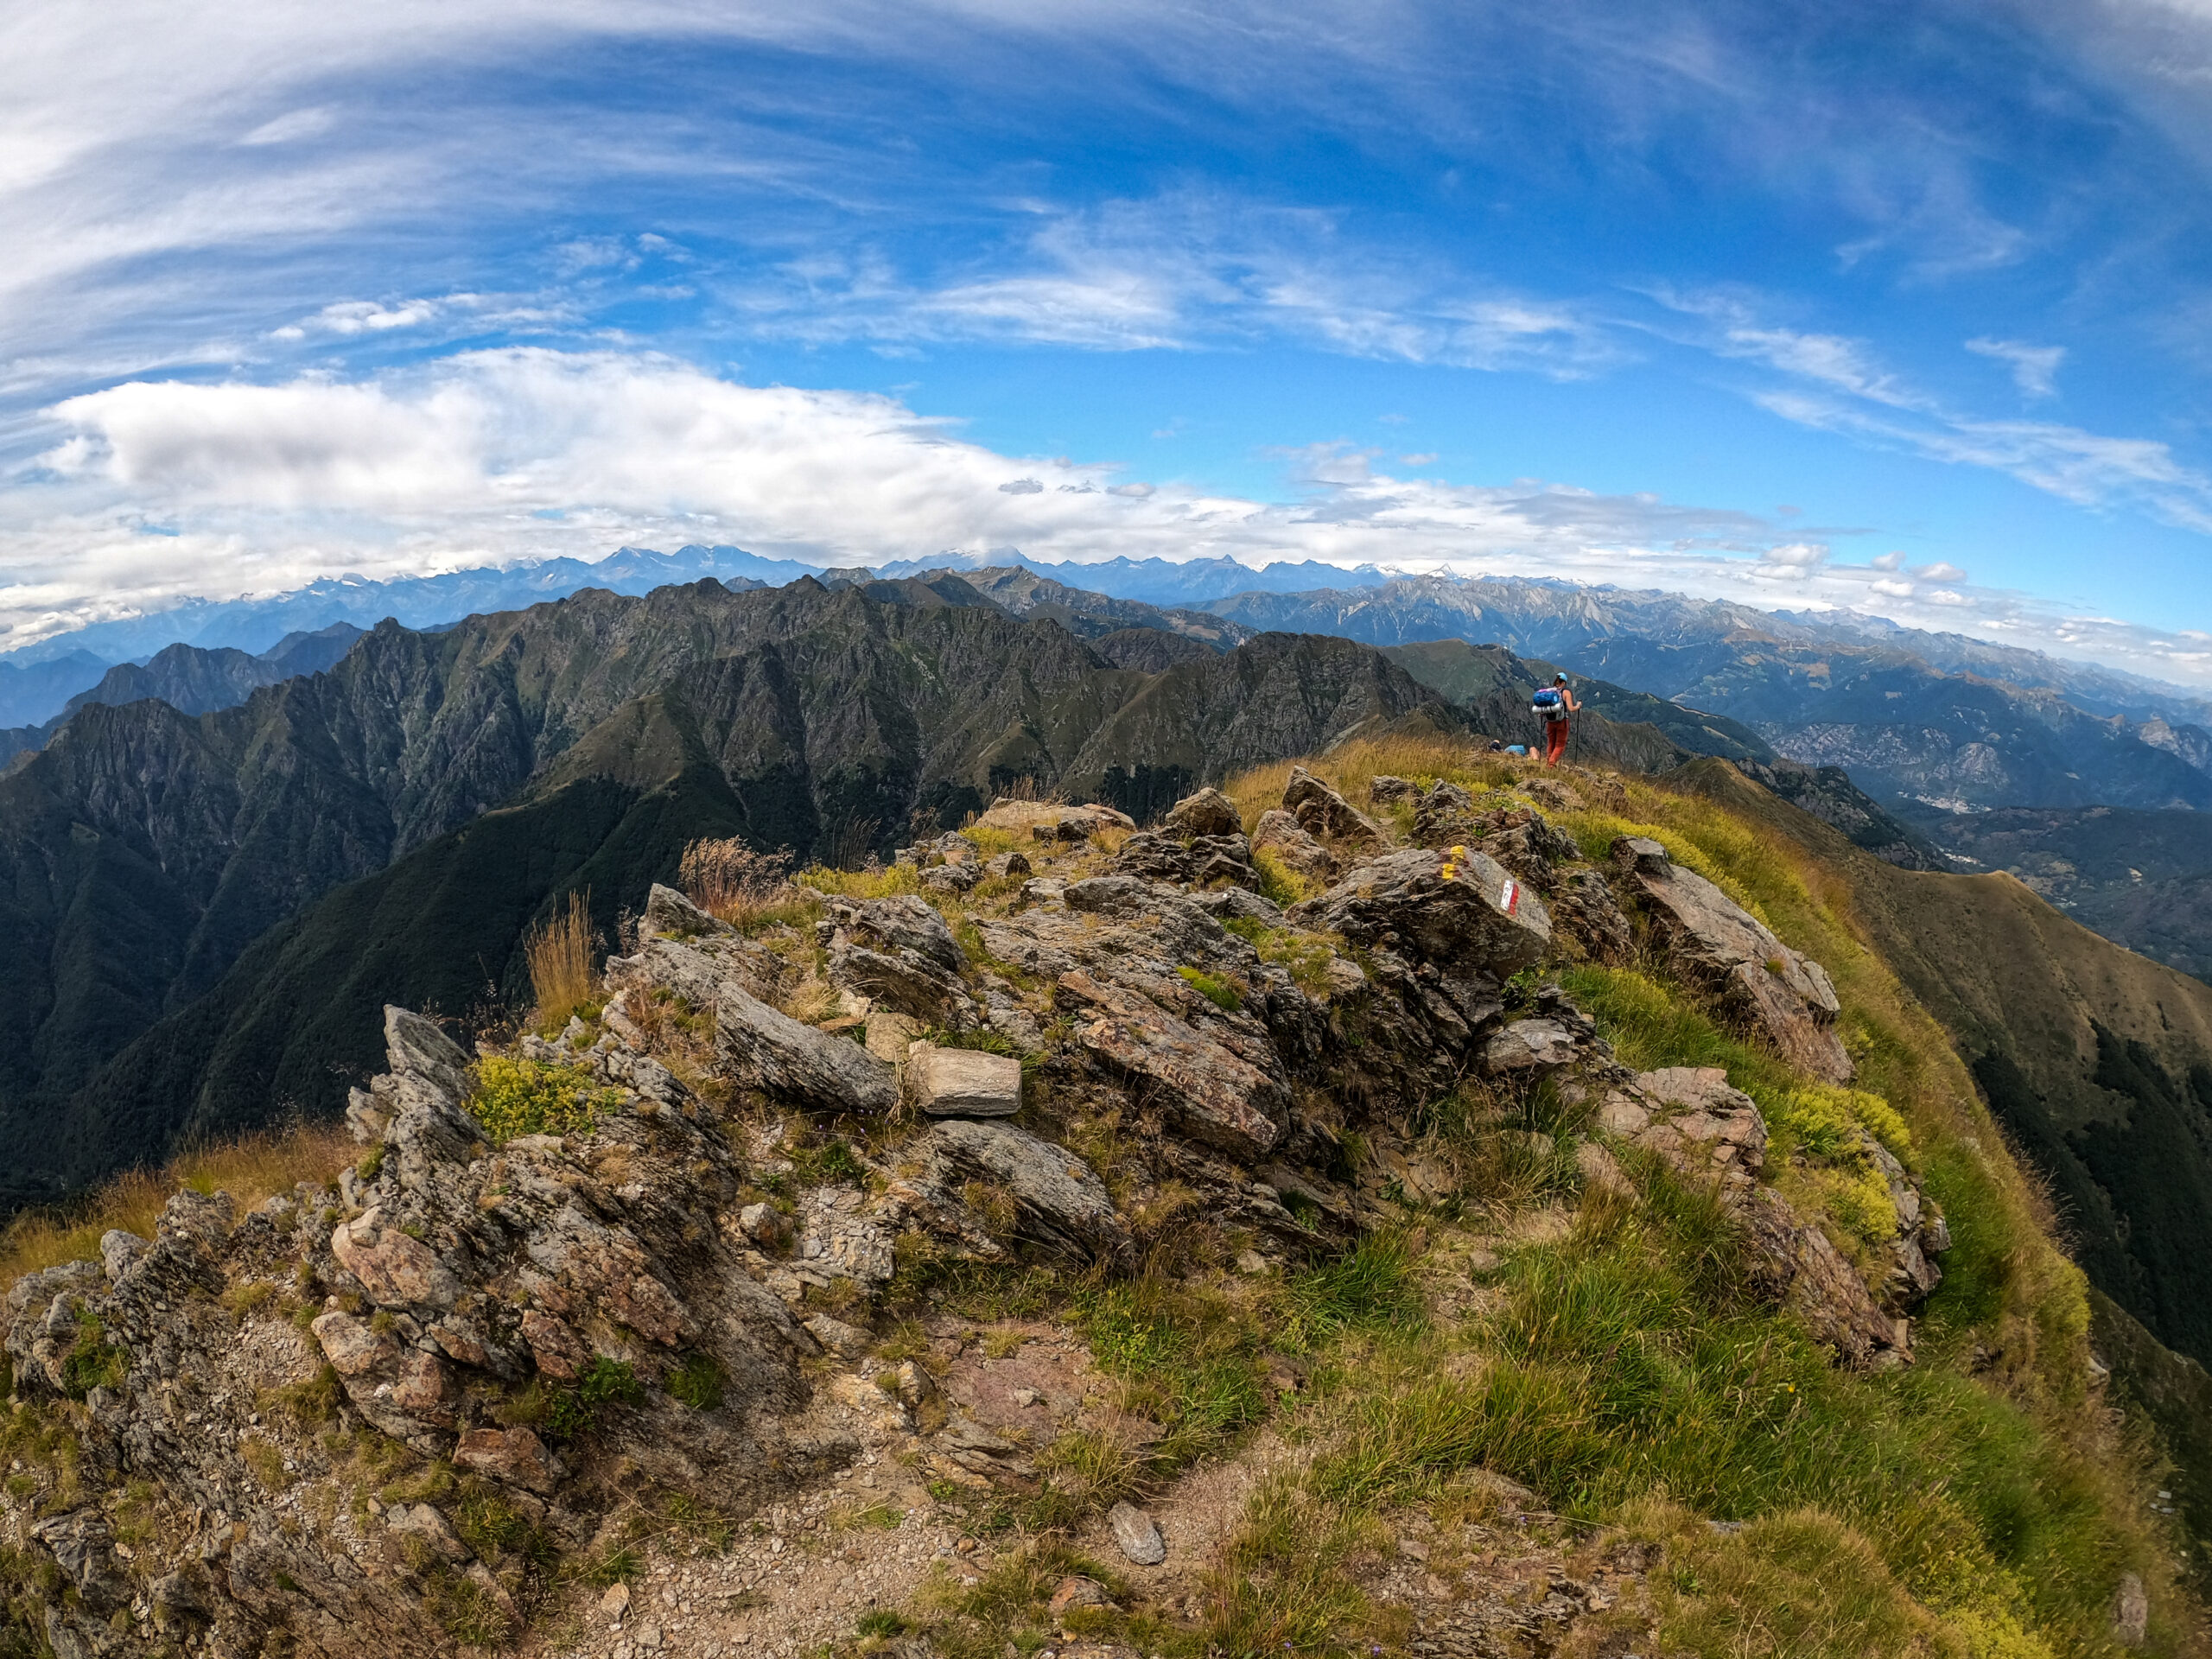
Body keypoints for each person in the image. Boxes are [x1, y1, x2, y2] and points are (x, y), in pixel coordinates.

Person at [1534, 672, 1579, 766]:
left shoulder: (1549, 692)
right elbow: (1571, 708)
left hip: (1550, 721)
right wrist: (1578, 706)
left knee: (1551, 743)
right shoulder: (1566, 692)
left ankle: (1548, 762)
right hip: (1562, 722)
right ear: (1564, 683)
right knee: (1560, 745)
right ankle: (1551, 764)